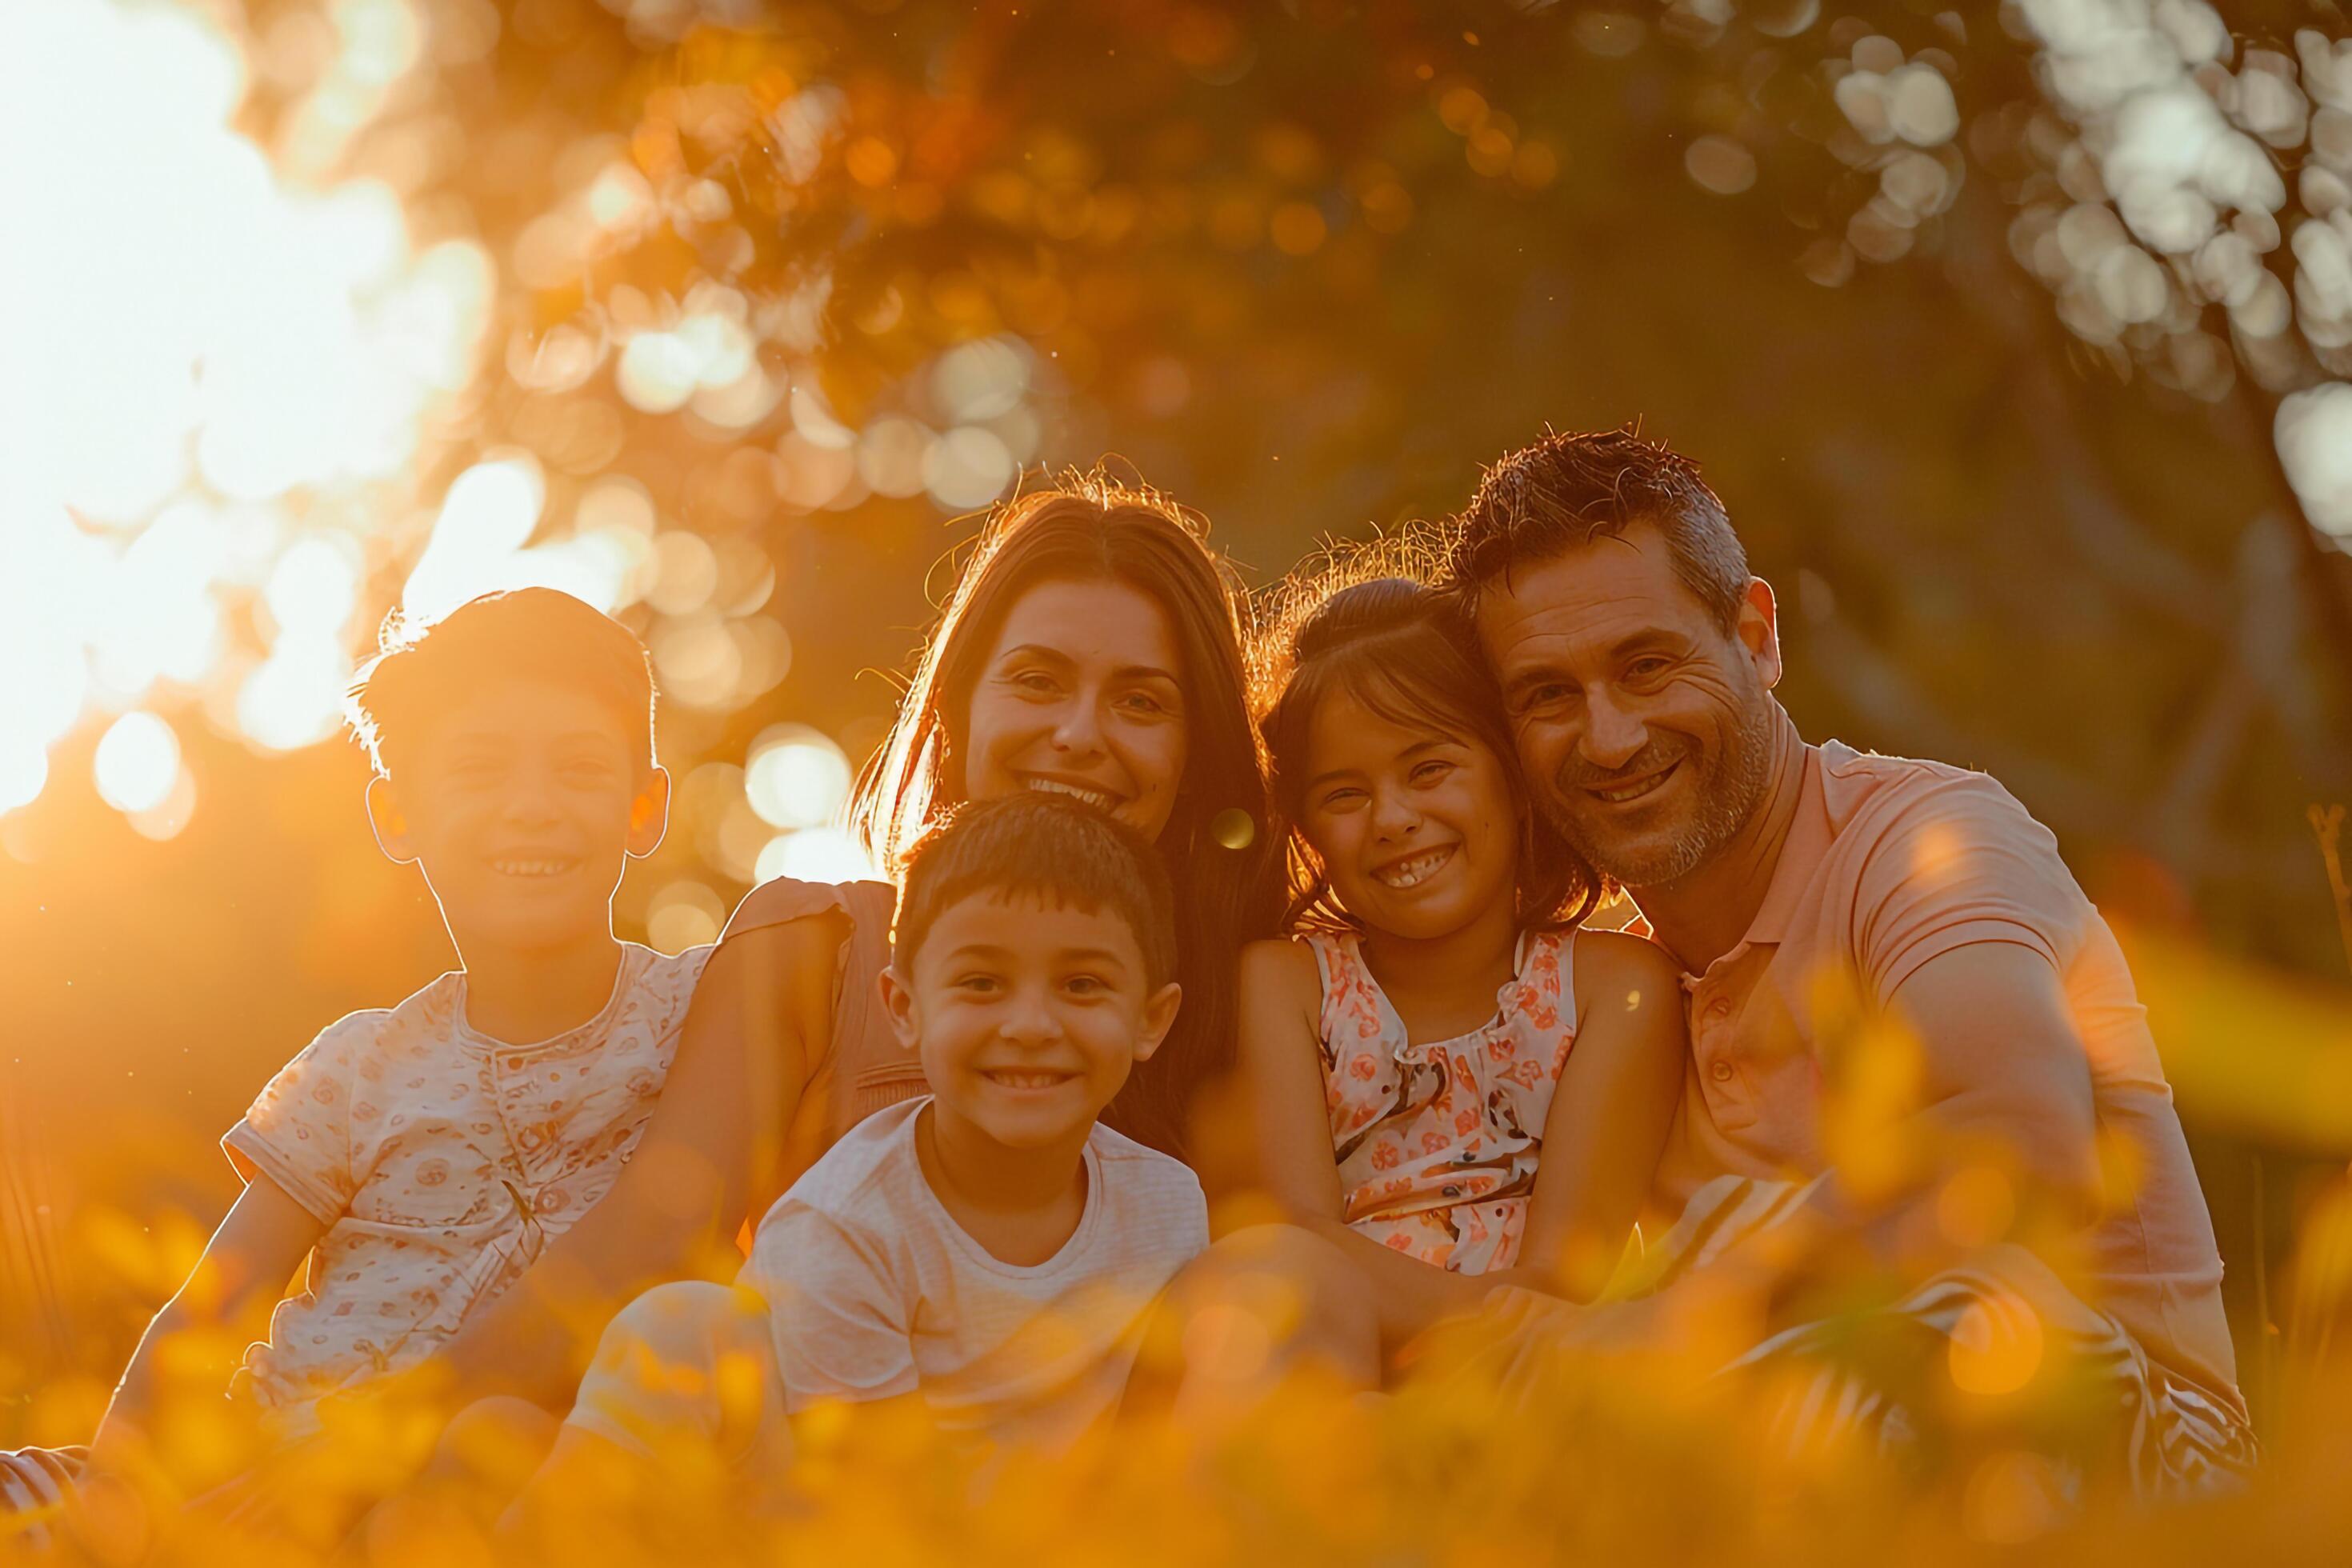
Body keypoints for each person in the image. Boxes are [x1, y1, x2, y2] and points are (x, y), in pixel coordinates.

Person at [1440, 426, 2252, 1491]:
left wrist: (1672, 1323)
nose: (1609, 737)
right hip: (1783, 1435)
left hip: (2125, 1432)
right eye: (1548, 694)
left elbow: (2020, 1152)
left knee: (1946, 1333)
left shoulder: (1931, 842)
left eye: (1648, 665)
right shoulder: (1602, 988)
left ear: (1757, 633)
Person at [424, 472, 1282, 1417]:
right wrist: (372, 1440)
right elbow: (650, 1243)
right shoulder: (816, 944)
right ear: (958, 706)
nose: (1078, 733)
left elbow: (1258, 1302)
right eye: (1037, 681)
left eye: (1142, 702)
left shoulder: (1241, 997)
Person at [86, 590, 702, 1500]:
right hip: (279, 1467)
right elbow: (207, 1307)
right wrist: (108, 1507)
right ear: (397, 813)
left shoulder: (695, 1012)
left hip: (496, 1472)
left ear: (645, 807)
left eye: (578, 769)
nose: (531, 807)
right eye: (481, 771)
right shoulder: (355, 1067)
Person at [500, 794, 1207, 1547]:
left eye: (1081, 986)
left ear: (1150, 1021)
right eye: (981, 983)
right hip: (813, 1512)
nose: (1029, 1026)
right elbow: (876, 1496)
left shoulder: (1167, 1203)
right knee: (680, 1328)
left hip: (1038, 1532)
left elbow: (1155, 1453)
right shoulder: (847, 1220)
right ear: (904, 1008)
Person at [1236, 566, 1685, 1363]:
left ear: (1513, 776)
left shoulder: (1617, 986)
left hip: (1540, 1366)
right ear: (1305, 828)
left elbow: (1562, 1277)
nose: (1395, 819)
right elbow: (1298, 1237)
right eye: (1344, 794)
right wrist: (1474, 1320)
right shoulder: (1286, 984)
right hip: (1342, 1362)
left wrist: (1483, 1333)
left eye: (1428, 769)